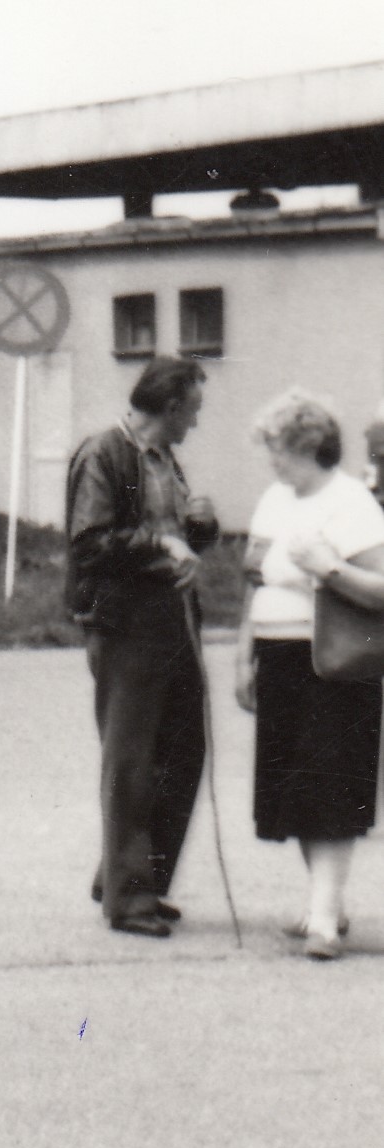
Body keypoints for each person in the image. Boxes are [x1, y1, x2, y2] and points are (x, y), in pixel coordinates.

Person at [66, 355, 223, 937]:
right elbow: (90, 543)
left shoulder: (163, 458)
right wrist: (162, 543)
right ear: (171, 407)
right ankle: (129, 899)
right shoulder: (104, 453)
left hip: (173, 620)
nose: (196, 422)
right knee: (132, 759)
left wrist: (199, 528)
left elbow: (175, 540)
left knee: (183, 750)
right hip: (125, 624)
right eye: (194, 410)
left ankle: (134, 879)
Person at [233, 391, 384, 960]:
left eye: (278, 448)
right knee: (296, 790)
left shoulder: (352, 502)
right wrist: (243, 654)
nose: (271, 460)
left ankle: (322, 919)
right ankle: (329, 905)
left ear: (310, 445)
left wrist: (331, 568)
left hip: (335, 663)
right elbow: (255, 582)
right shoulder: (274, 500)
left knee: (329, 788)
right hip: (278, 657)